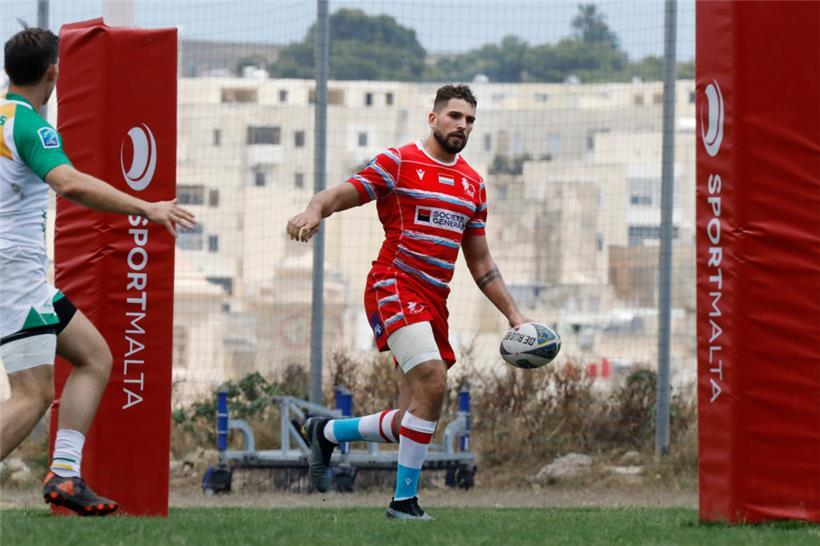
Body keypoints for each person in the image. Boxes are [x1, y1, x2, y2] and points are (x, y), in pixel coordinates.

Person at [286, 84, 529, 520]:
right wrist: (313, 210)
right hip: (393, 285)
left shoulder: (473, 185)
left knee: (412, 415)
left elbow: (482, 264)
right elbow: (340, 193)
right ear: (432, 119)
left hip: (435, 302)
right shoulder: (398, 162)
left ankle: (326, 432)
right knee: (434, 383)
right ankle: (404, 504)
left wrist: (515, 316)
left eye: (470, 120)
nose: (463, 125)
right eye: (455, 116)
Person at [0, 26, 195, 515]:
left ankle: (64, 475)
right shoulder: (30, 125)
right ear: (53, 73)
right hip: (14, 272)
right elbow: (70, 184)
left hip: (23, 277)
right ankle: (63, 475)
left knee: (94, 356)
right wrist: (145, 207)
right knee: (33, 393)